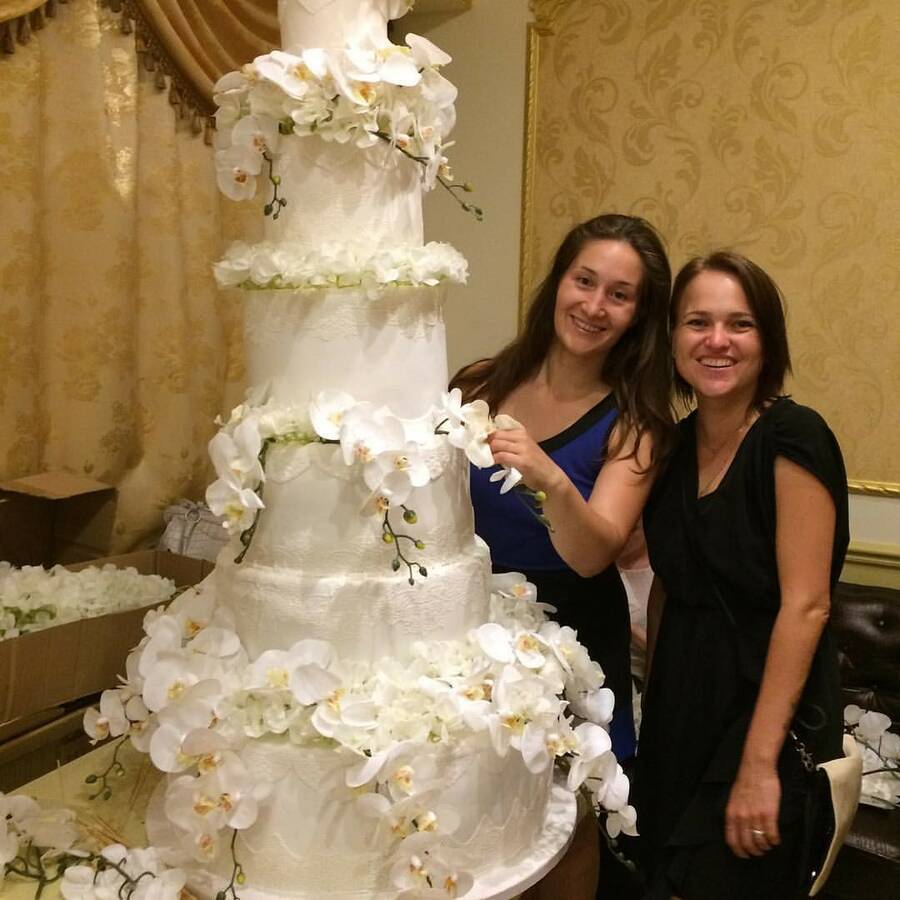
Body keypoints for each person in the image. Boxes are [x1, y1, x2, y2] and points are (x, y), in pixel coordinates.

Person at [635, 251, 848, 899]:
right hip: (680, 711)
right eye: (698, 322)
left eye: (740, 324)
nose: (717, 340)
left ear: (767, 339)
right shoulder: (672, 448)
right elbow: (670, 588)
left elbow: (807, 606)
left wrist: (757, 765)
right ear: (672, 337)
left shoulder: (793, 436)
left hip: (765, 717)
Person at [452, 212, 673, 764]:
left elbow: (593, 555)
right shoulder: (478, 383)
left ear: (638, 315)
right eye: (584, 281)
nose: (594, 306)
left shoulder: (636, 423)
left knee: (572, 794)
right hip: (469, 621)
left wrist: (547, 475)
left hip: (572, 638)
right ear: (558, 283)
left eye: (619, 295)